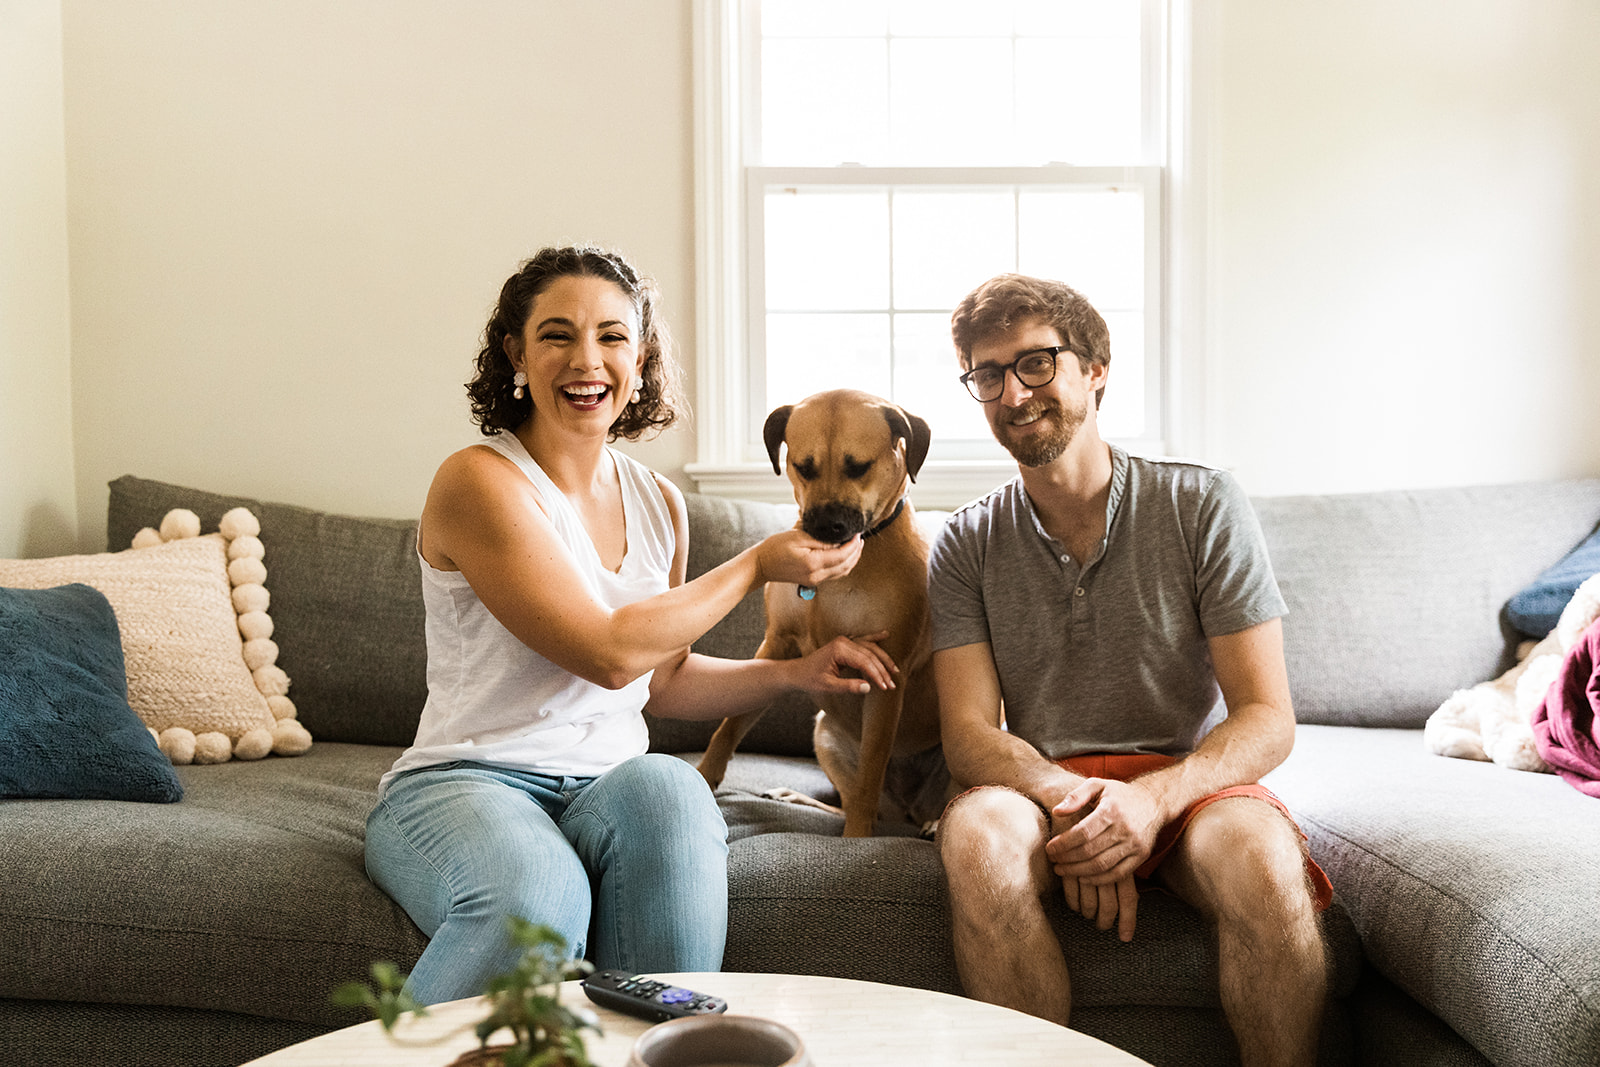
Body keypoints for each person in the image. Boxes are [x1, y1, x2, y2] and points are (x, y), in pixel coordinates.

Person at [365, 246, 897, 1004]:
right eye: (557, 334)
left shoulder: (659, 503)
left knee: (673, 789)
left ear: (641, 357)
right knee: (540, 904)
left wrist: (796, 674)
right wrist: (752, 566)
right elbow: (609, 654)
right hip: (471, 782)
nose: (588, 360)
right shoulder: (478, 481)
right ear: (516, 352)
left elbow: (660, 679)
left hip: (606, 786)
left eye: (613, 336)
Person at [927, 273, 1333, 1066]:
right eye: (988, 374)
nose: (1013, 392)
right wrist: (1075, 802)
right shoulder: (965, 542)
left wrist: (1150, 801)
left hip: (1186, 783)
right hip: (1041, 787)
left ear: (1096, 367)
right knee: (977, 837)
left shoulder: (1202, 504)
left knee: (1262, 855)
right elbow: (970, 735)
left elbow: (1265, 715)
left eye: (1037, 362)